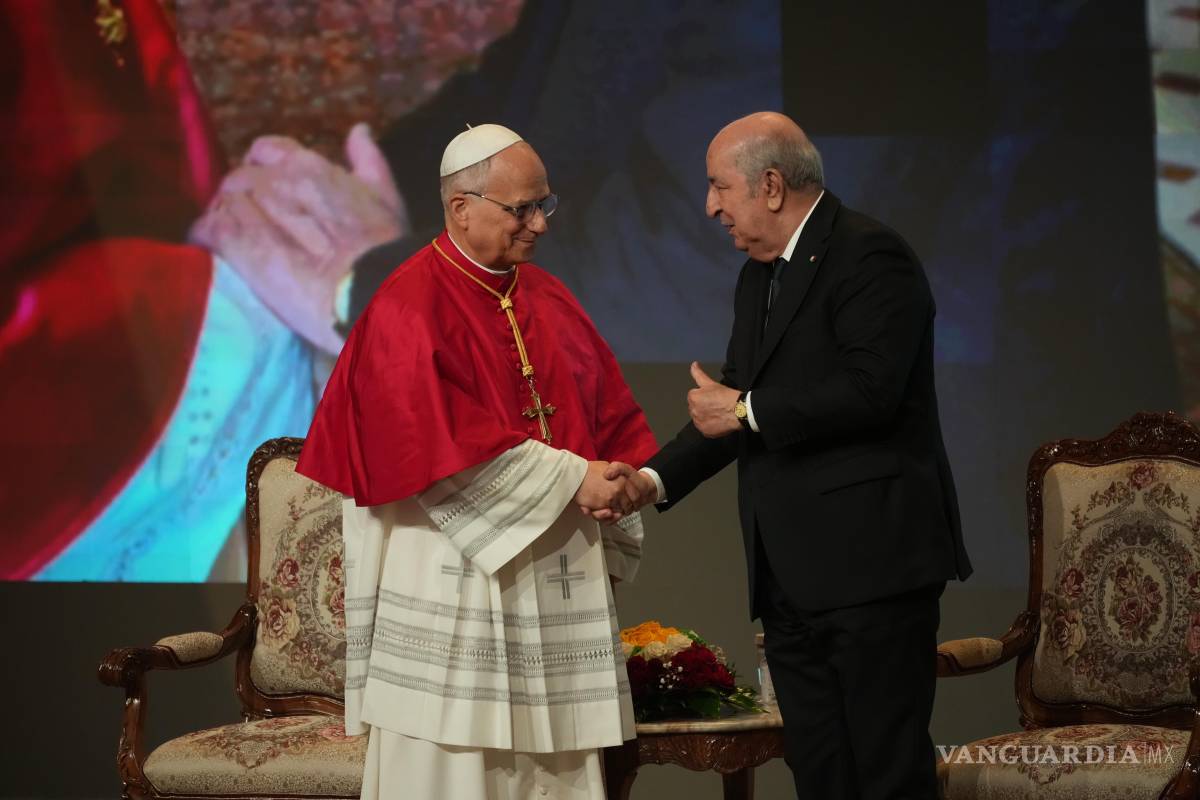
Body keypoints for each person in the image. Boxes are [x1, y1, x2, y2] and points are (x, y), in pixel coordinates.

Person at [602, 112, 973, 799]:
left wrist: (743, 410)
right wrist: (648, 481)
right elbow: (727, 410)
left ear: (770, 185)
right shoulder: (758, 278)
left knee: (886, 777)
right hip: (791, 584)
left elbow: (872, 392)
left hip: (873, 572)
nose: (710, 206)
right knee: (821, 776)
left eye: (719, 187)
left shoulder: (870, 256)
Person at [295, 124, 658, 799]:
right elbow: (435, 439)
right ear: (461, 207)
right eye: (520, 208)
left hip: (549, 575)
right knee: (455, 770)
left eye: (544, 205)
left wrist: (632, 477)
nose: (538, 225)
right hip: (450, 574)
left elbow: (610, 413)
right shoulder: (405, 307)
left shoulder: (550, 299)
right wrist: (573, 477)